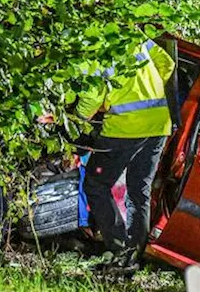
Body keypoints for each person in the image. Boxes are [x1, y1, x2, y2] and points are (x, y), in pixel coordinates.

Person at [75, 39, 175, 270]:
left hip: (126, 127)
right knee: (139, 190)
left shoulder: (94, 46)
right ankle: (133, 256)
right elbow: (167, 64)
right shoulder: (133, 35)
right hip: (159, 123)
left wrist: (75, 122)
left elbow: (91, 98)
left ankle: (119, 250)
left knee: (95, 184)